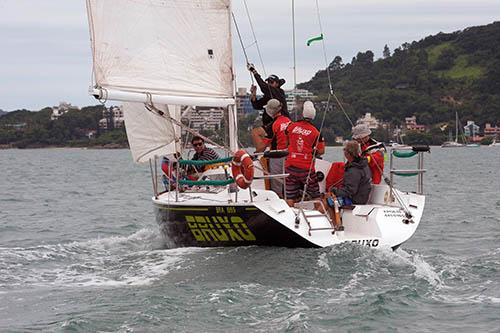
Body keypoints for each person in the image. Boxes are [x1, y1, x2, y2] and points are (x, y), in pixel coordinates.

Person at [284, 101, 325, 208]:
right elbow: (321, 151)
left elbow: (286, 139)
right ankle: (319, 215)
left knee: (290, 196)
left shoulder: (291, 126)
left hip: (290, 165)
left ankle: (289, 219)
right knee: (316, 195)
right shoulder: (316, 132)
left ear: (303, 113)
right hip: (306, 168)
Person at [325, 123, 385, 190]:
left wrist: (365, 159)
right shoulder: (359, 145)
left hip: (371, 177)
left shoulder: (378, 147)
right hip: (360, 171)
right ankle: (329, 190)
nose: (356, 140)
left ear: (364, 137)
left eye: (358, 138)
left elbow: (379, 158)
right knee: (337, 166)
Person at [263, 98, 291, 197]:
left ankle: (279, 200)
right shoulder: (288, 121)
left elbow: (265, 144)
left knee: (276, 182)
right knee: (288, 181)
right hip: (289, 155)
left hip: (276, 156)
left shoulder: (272, 125)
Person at [330, 141, 372, 205]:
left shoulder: (354, 169)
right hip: (362, 197)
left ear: (348, 153)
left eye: (345, 150)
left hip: (354, 200)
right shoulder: (363, 164)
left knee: (327, 202)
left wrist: (335, 191)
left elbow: (350, 190)